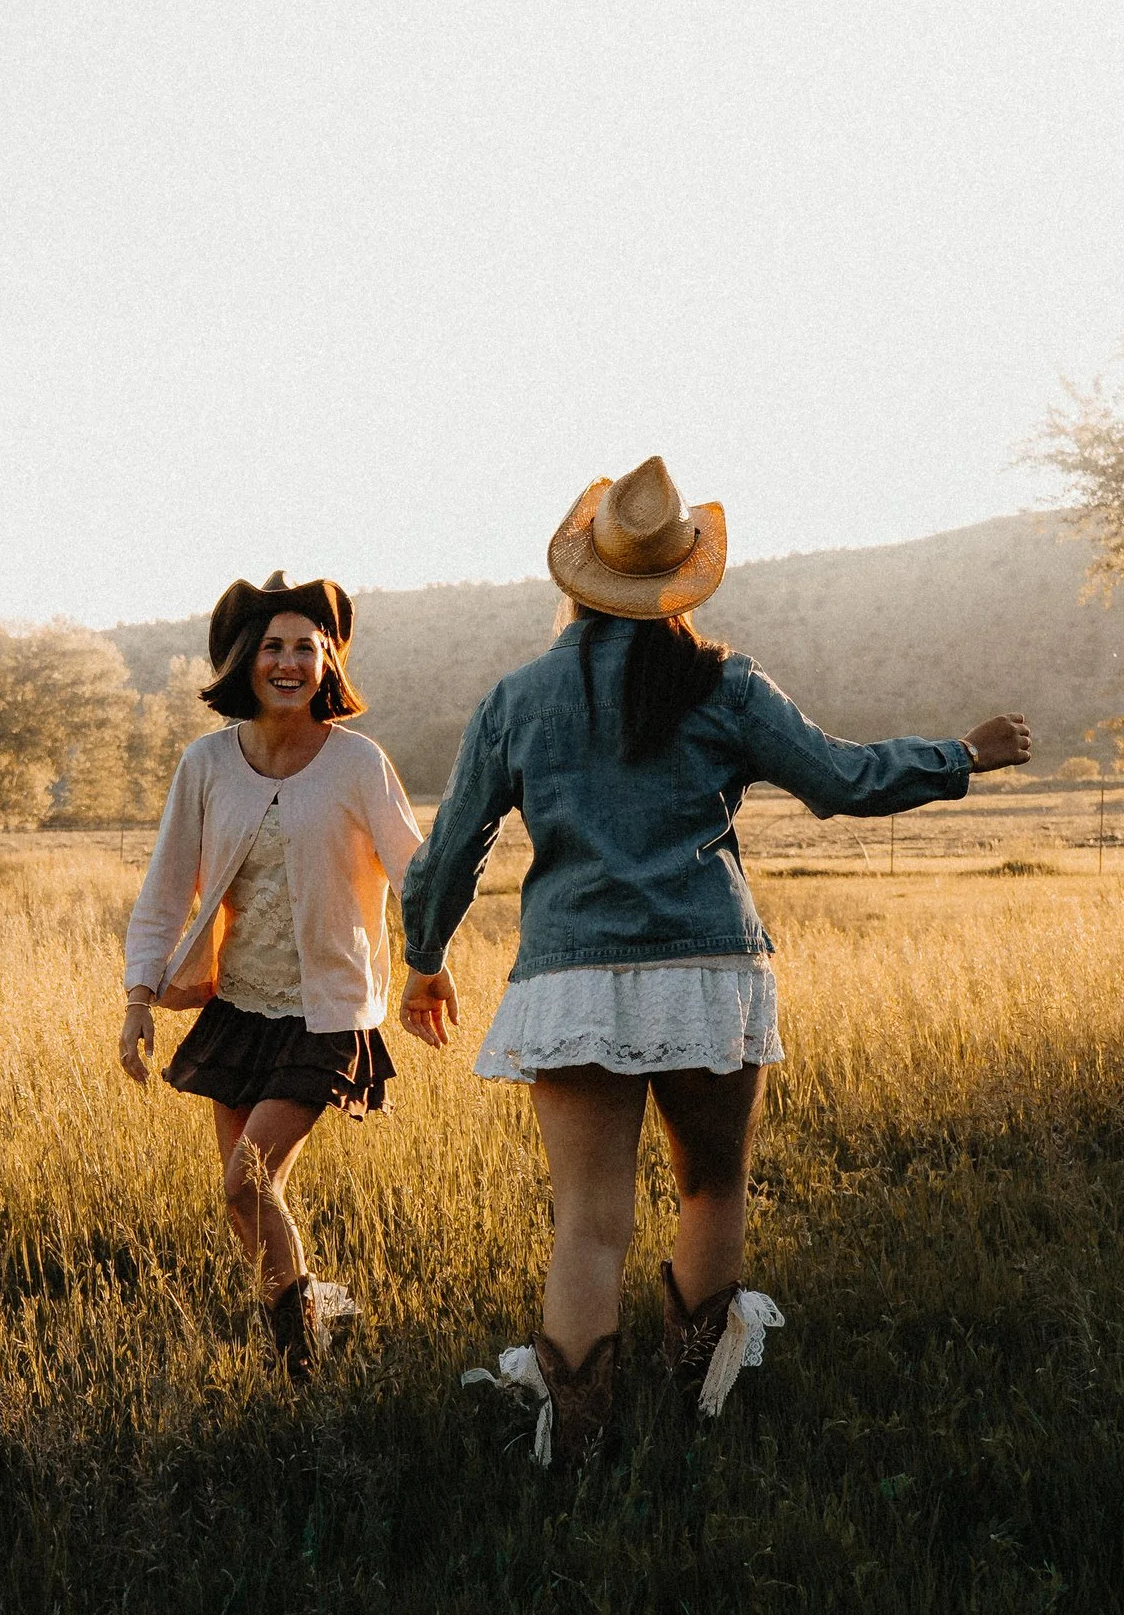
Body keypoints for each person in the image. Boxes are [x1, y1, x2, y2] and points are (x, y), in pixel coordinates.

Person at [399, 457, 1030, 1468]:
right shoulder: (724, 685)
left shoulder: (517, 698)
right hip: (706, 973)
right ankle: (698, 1403)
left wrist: (423, 956)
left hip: (569, 980)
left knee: (587, 1223)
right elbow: (844, 780)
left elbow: (451, 850)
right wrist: (961, 754)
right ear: (686, 577)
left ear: (581, 576)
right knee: (712, 1188)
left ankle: (579, 1446)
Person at [121, 573, 455, 1377]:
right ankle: (314, 1318)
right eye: (273, 646)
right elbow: (167, 887)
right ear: (246, 658)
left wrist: (427, 965)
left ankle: (300, 1370)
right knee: (246, 1205)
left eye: (307, 646)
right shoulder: (206, 764)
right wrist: (139, 998)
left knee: (248, 1183)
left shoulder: (357, 763)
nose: (289, 661)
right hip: (239, 1007)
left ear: (328, 659)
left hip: (328, 1013)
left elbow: (419, 872)